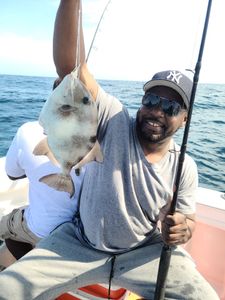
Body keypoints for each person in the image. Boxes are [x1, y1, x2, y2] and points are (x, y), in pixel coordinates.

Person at [0, 1, 219, 299]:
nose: (156, 111)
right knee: (7, 288)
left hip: (145, 252)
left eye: (170, 106)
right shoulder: (115, 121)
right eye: (151, 100)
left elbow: (187, 219)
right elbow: (71, 69)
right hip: (78, 242)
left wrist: (184, 228)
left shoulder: (185, 168)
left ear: (185, 118)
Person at [0, 118, 85, 268]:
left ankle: (28, 267)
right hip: (80, 235)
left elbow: (12, 174)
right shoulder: (105, 138)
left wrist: (35, 167)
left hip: (42, 231)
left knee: (5, 226)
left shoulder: (29, 130)